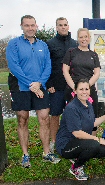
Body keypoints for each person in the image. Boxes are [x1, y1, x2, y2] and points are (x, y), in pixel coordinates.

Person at [6, 15, 60, 168]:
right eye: (26, 25)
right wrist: (31, 84)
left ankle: (46, 152)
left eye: (32, 25)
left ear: (36, 26)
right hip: (21, 87)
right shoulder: (14, 44)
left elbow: (47, 66)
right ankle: (25, 155)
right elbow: (14, 67)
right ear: (22, 26)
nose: (30, 28)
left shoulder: (42, 45)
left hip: (39, 86)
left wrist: (40, 83)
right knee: (23, 118)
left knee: (44, 117)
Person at [55, 79, 105, 180]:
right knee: (94, 144)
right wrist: (98, 139)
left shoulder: (88, 105)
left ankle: (80, 156)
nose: (84, 92)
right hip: (66, 145)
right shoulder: (72, 108)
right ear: (75, 91)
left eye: (86, 89)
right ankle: (76, 167)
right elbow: (77, 133)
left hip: (80, 143)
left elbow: (92, 123)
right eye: (81, 89)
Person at [46, 17, 77, 153]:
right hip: (56, 87)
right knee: (55, 115)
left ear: (68, 26)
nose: (63, 27)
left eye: (65, 25)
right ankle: (54, 141)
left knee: (72, 115)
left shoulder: (75, 44)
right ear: (56, 27)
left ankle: (72, 139)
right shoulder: (50, 44)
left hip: (72, 87)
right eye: (60, 25)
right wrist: (49, 83)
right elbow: (46, 65)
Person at [62, 28, 100, 136]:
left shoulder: (94, 55)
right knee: (73, 117)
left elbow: (97, 73)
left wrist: (86, 87)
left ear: (89, 38)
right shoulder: (71, 52)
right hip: (73, 89)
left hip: (90, 90)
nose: (84, 39)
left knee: (92, 116)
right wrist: (75, 88)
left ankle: (93, 143)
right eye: (81, 37)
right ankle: (73, 142)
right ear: (78, 38)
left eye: (86, 36)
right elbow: (65, 70)